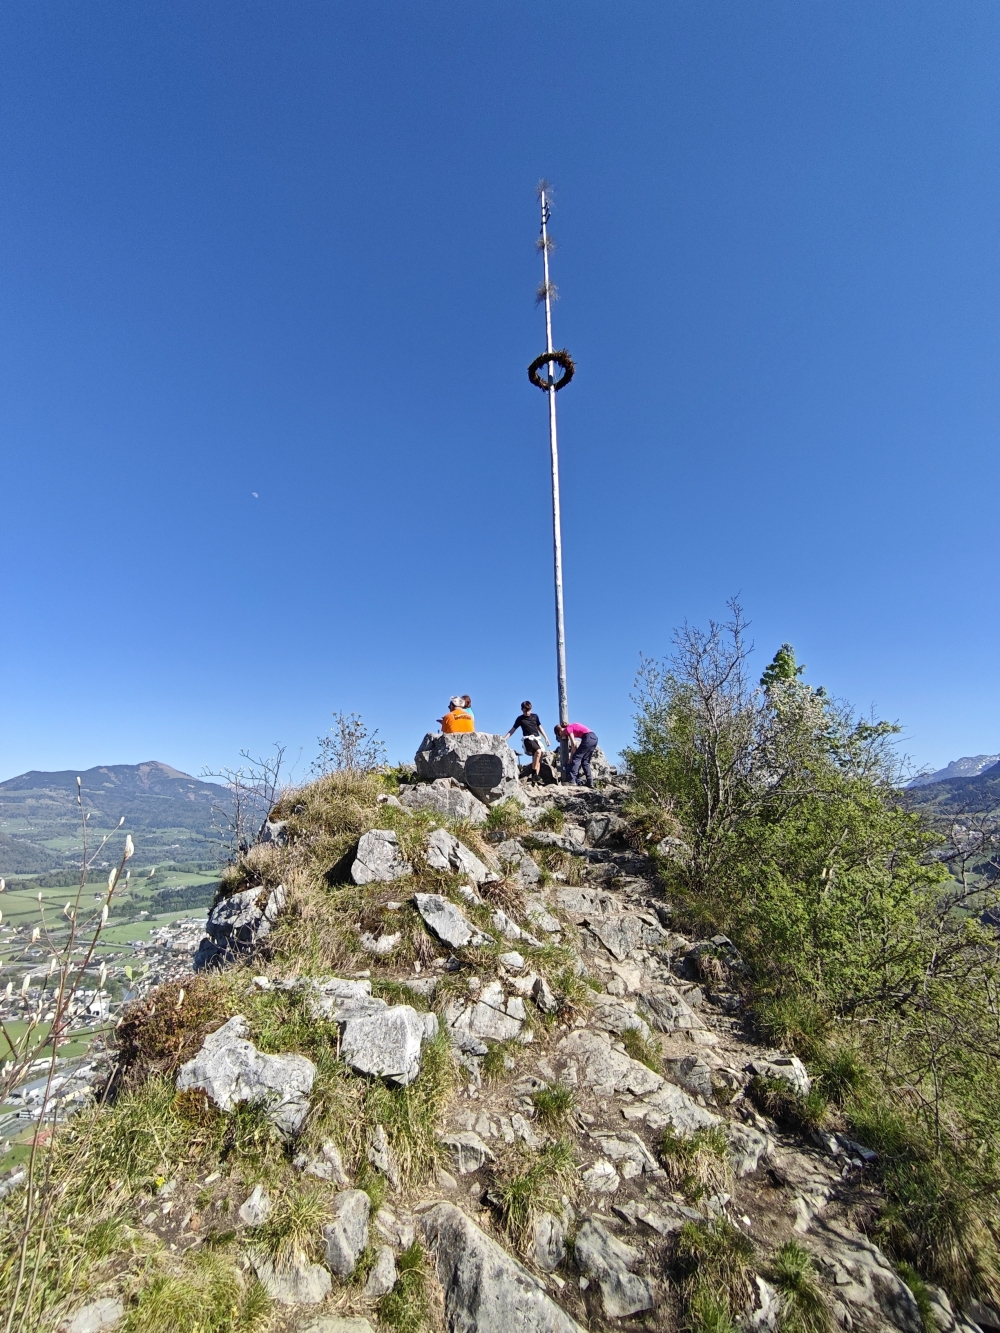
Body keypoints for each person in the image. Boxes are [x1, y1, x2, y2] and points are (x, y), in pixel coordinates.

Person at [503, 701, 550, 783]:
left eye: (528, 710)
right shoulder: (520, 719)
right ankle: (534, 773)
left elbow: (540, 727)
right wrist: (504, 738)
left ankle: (534, 780)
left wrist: (546, 738)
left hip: (537, 739)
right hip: (528, 740)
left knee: (539, 758)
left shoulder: (535, 716)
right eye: (525, 711)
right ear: (522, 709)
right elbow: (512, 730)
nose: (527, 713)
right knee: (538, 751)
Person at [554, 721, 599, 787]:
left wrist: (572, 758)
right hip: (594, 738)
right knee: (585, 762)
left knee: (576, 759)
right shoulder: (571, 727)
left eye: (559, 735)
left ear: (560, 731)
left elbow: (574, 744)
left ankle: (572, 781)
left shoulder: (568, 729)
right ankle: (590, 782)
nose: (560, 736)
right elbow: (573, 747)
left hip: (587, 738)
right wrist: (571, 757)